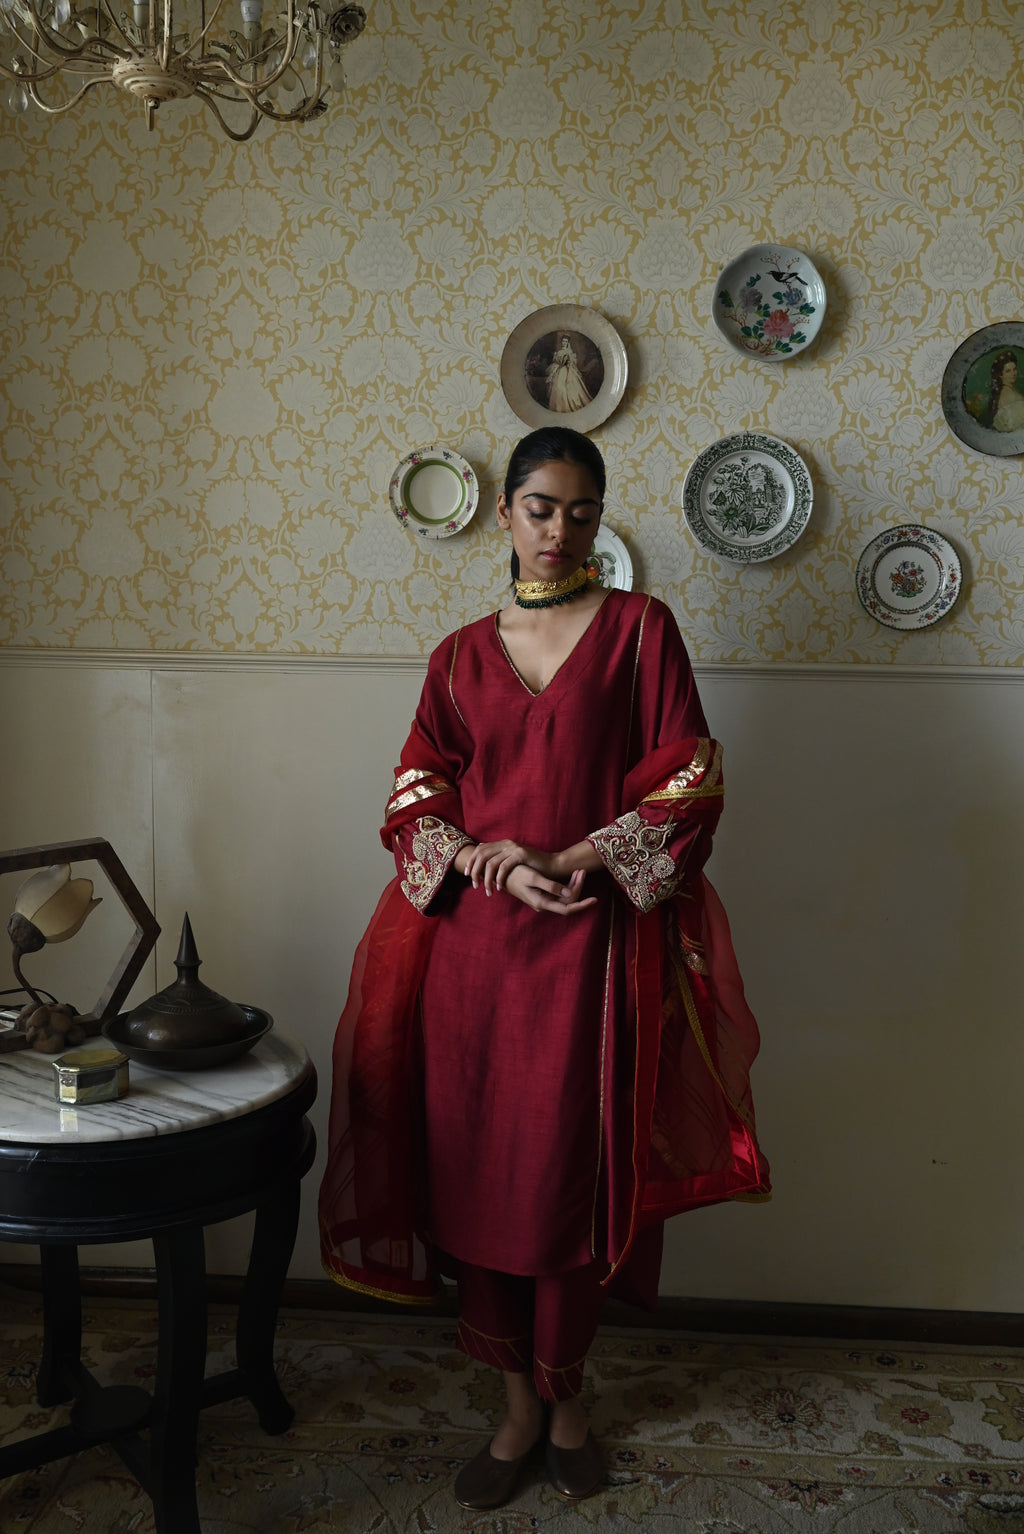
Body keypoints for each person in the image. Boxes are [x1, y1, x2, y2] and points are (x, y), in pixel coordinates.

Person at [319, 427, 770, 1511]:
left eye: (578, 509)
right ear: (507, 512)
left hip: (594, 952)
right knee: (476, 1178)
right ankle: (514, 1405)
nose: (556, 527)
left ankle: (567, 1399)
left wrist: (569, 858)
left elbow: (689, 781)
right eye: (538, 505)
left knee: (568, 1186)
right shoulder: (460, 655)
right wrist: (480, 860)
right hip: (471, 958)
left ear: (599, 517)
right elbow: (413, 794)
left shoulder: (638, 633)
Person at [979, 350, 1024, 433]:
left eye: (1014, 369)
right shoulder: (1008, 395)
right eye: (1008, 371)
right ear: (1000, 374)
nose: (1013, 373)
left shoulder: (1002, 392)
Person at [546, 333, 592, 413]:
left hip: (567, 371)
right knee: (558, 387)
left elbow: (573, 363)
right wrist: (558, 363)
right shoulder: (559, 352)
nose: (564, 343)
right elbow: (556, 362)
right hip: (559, 370)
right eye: (563, 341)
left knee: (569, 387)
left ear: (568, 343)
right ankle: (558, 407)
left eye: (565, 341)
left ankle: (567, 406)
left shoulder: (569, 352)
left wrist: (568, 362)